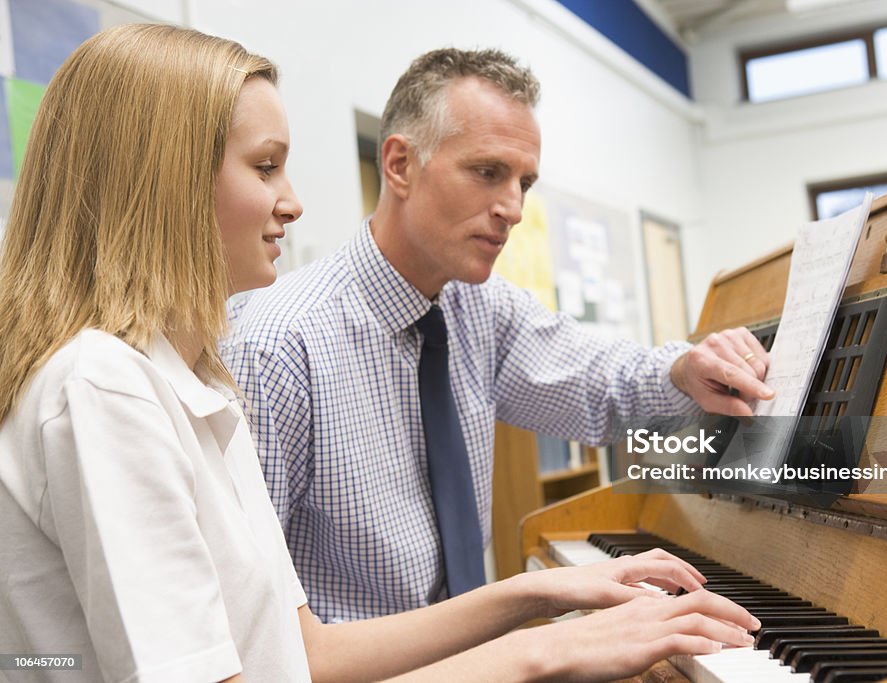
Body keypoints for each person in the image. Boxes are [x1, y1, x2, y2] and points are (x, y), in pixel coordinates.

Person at [0, 23, 760, 683]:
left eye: (523, 181)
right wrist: (547, 651)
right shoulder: (133, 381)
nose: (512, 208)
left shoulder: (197, 377)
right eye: (265, 167)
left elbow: (301, 651)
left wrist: (546, 598)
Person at [223, 46, 774, 623]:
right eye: (488, 173)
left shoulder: (478, 305)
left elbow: (596, 381)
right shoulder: (276, 346)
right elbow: (254, 621)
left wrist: (682, 370)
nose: (512, 208)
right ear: (400, 165)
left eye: (525, 182)